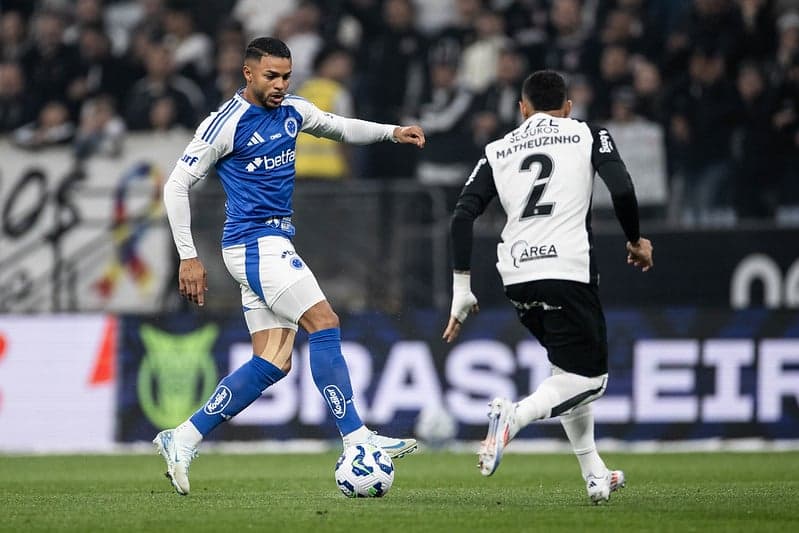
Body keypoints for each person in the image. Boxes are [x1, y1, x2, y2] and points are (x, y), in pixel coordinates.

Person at [155, 37, 425, 496]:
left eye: (286, 76)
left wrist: (391, 132)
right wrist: (188, 256)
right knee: (324, 322)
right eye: (271, 76)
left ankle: (182, 437)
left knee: (273, 362)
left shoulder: (294, 111)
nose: (280, 85)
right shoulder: (226, 123)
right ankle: (358, 439)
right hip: (254, 244)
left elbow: (339, 127)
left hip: (269, 244)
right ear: (248, 73)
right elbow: (176, 186)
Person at [441, 70, 653, 504]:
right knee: (592, 380)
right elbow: (623, 188)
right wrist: (636, 240)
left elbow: (462, 215)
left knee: (567, 373)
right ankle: (514, 417)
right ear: (569, 106)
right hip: (568, 271)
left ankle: (594, 473)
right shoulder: (587, 133)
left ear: (522, 109)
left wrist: (461, 287)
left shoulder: (498, 148)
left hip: (516, 277)